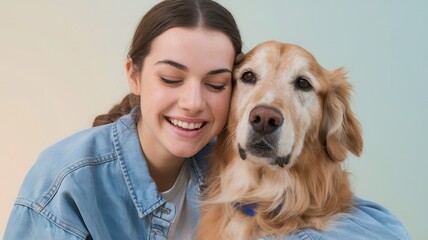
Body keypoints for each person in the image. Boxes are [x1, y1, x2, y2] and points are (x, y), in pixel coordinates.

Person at [4, 0, 410, 239]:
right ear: (134, 75)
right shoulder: (65, 181)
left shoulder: (218, 159)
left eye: (217, 84)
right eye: (170, 78)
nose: (193, 103)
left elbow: (382, 228)